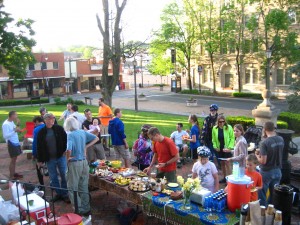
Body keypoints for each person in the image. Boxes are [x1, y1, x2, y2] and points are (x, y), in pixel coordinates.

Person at [64, 117, 99, 216]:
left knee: (72, 187)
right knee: (83, 186)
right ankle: (86, 208)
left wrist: (68, 158)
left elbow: (68, 150)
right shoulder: (82, 132)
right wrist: (86, 146)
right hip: (84, 162)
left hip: (75, 163)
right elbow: (96, 138)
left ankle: (78, 210)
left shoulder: (70, 135)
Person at [36, 113, 70, 203]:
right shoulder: (41, 132)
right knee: (53, 176)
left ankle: (65, 193)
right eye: (50, 119)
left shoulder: (59, 129)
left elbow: (66, 139)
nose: (52, 120)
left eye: (53, 118)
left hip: (60, 156)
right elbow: (39, 146)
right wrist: (40, 160)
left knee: (64, 174)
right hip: (49, 158)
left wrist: (65, 150)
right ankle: (59, 193)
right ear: (45, 120)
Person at [256, 121, 284, 207]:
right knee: (274, 195)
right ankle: (271, 213)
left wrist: (257, 155)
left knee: (262, 194)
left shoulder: (264, 143)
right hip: (278, 171)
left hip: (266, 172)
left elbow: (263, 161)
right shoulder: (281, 139)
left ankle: (263, 213)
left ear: (264, 129)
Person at [212, 115, 234, 183]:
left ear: (225, 121)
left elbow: (232, 138)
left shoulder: (229, 127)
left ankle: (230, 179)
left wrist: (229, 147)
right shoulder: (214, 128)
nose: (221, 123)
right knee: (222, 163)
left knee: (227, 163)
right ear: (217, 122)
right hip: (220, 149)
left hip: (226, 148)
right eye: (220, 122)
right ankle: (224, 178)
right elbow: (214, 139)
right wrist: (215, 146)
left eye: (223, 121)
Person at [2, 111, 23, 179]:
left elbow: (14, 129)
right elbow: (5, 136)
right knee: (13, 159)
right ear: (12, 116)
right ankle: (11, 177)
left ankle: (13, 173)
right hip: (11, 143)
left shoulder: (11, 122)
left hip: (15, 141)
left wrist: (18, 125)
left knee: (15, 159)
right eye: (15, 115)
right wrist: (15, 131)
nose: (17, 116)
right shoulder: (6, 124)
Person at [32, 116, 46, 185]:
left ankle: (41, 184)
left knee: (39, 169)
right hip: (50, 151)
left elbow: (35, 143)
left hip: (40, 152)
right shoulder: (49, 127)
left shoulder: (36, 130)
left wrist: (34, 154)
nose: (35, 125)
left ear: (37, 121)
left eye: (35, 123)